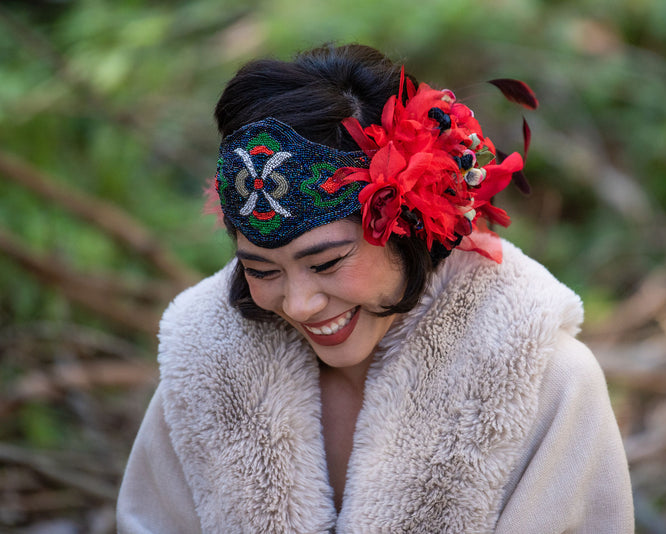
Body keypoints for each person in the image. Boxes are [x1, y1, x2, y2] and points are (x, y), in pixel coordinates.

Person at [117, 43, 634, 533]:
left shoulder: (546, 378)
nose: (298, 305)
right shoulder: (204, 363)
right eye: (264, 271)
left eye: (327, 262)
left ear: (408, 223)